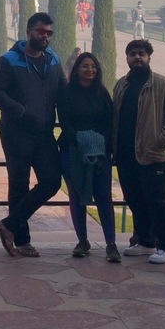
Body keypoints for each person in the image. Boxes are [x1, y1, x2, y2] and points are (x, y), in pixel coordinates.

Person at [0, 12, 66, 258]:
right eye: (41, 31)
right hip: (16, 132)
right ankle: (22, 241)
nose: (45, 36)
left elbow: (62, 93)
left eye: (49, 33)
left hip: (44, 133)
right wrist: (21, 111)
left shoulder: (53, 59)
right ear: (29, 32)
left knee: (52, 182)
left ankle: (9, 225)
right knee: (19, 185)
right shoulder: (9, 60)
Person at [112, 39, 165, 264]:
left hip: (155, 155)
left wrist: (162, 139)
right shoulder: (121, 85)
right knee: (136, 199)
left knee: (159, 202)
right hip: (127, 154)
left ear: (148, 58)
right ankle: (146, 241)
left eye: (141, 54)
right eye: (133, 54)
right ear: (126, 58)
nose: (137, 57)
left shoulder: (163, 85)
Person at [58, 52, 118, 261]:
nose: (90, 70)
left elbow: (110, 122)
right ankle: (82, 241)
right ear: (77, 70)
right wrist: (83, 141)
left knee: (103, 195)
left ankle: (111, 243)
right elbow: (65, 123)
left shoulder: (102, 93)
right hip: (72, 150)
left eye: (93, 66)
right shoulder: (66, 94)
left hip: (100, 152)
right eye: (85, 66)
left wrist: (98, 143)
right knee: (77, 196)